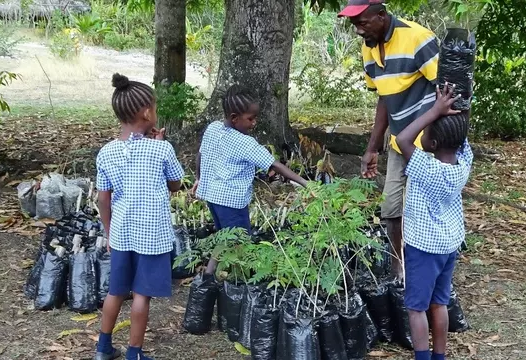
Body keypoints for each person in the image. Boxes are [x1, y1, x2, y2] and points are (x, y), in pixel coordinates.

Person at [338, 0, 440, 279]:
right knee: (391, 207)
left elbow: (447, 93)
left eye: (363, 23)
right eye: (354, 25)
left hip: (429, 143)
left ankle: (430, 268)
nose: (359, 31)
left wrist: (441, 144)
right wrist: (373, 147)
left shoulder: (418, 39)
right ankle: (399, 268)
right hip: (399, 142)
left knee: (425, 209)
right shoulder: (368, 49)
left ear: (382, 16)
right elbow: (384, 96)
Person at [94, 73, 184, 360]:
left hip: (121, 233)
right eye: (154, 107)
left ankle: (103, 348)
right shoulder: (162, 149)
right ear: (147, 112)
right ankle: (134, 353)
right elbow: (175, 184)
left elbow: (103, 198)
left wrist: (108, 232)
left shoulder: (106, 153)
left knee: (116, 292)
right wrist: (159, 143)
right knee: (141, 295)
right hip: (152, 236)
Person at [192, 85, 309, 275]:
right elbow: (274, 164)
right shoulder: (245, 143)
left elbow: (201, 155)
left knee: (225, 237)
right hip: (231, 201)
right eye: (250, 119)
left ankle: (209, 274)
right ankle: (241, 280)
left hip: (212, 196)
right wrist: (305, 183)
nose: (254, 123)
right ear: (234, 118)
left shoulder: (213, 128)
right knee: (239, 242)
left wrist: (199, 178)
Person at [395, 83, 473, 360]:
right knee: (439, 304)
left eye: (426, 133)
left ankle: (422, 357)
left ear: (434, 144)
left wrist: (434, 111)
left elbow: (402, 140)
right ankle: (439, 356)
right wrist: (458, 107)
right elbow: (462, 139)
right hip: (448, 245)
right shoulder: (463, 164)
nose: (422, 137)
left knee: (417, 307)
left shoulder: (427, 168)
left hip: (422, 248)